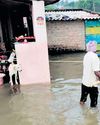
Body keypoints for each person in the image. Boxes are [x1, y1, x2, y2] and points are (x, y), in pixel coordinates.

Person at [80, 41, 100, 108]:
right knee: (93, 104)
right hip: (92, 84)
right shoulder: (95, 57)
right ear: (95, 48)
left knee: (82, 100)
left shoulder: (86, 55)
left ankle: (82, 110)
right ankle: (92, 117)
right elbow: (96, 72)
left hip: (84, 82)